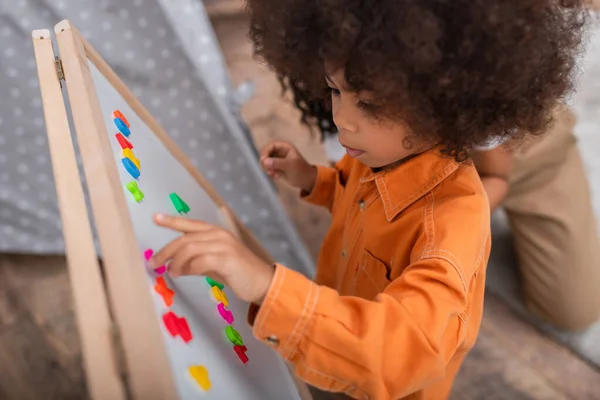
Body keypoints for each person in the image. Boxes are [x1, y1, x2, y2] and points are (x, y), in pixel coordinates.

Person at [149, 1, 587, 398]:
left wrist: (267, 285)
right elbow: (354, 191)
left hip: (392, 378)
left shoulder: (451, 224)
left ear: (444, 103)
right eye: (335, 91)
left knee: (572, 306)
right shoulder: (380, 149)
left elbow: (398, 352)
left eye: (370, 106)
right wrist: (312, 179)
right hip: (338, 340)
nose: (342, 120)